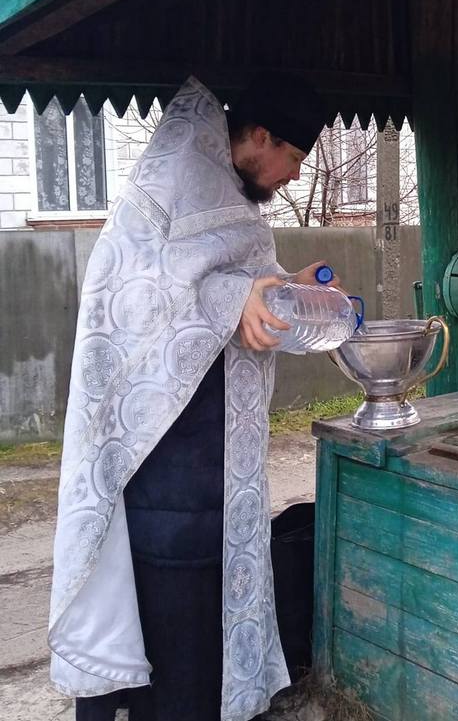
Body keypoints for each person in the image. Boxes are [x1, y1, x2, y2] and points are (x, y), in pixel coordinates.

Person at [48, 75, 332, 721]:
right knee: (168, 655)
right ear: (262, 136)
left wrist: (289, 289)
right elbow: (146, 302)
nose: (292, 176)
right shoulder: (177, 176)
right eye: (294, 159)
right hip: (161, 482)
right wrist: (241, 298)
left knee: (200, 661)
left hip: (217, 482)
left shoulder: (233, 193)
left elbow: (231, 290)